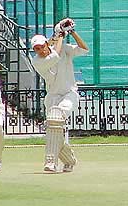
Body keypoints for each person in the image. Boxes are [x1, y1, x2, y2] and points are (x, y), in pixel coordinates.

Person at [31, 18, 89, 173]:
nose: (40, 50)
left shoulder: (63, 48)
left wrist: (72, 32)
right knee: (54, 128)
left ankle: (50, 163)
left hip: (69, 93)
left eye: (42, 46)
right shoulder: (37, 61)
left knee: (55, 120)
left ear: (46, 44)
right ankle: (69, 160)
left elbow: (84, 49)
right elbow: (55, 55)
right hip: (53, 96)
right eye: (36, 49)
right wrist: (60, 34)